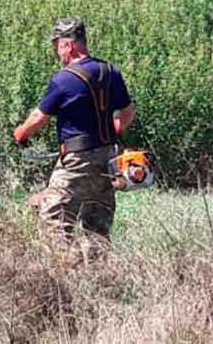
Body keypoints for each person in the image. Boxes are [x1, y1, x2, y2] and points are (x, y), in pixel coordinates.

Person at [13, 19, 135, 263]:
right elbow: (127, 110)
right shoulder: (111, 72)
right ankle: (97, 277)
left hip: (76, 161)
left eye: (57, 45)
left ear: (68, 45)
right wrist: (113, 133)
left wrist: (21, 133)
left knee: (53, 218)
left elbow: (39, 118)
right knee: (97, 224)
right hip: (109, 159)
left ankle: (64, 276)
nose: (57, 51)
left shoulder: (64, 79)